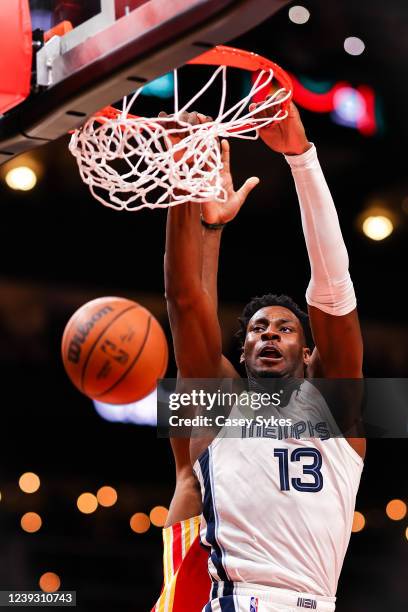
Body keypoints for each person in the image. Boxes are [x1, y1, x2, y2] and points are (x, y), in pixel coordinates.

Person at [157, 102, 365, 611]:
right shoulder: (219, 407)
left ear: (310, 352)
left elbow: (334, 289)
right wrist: (186, 184)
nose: (270, 333)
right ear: (243, 351)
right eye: (257, 328)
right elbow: (186, 301)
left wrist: (301, 158)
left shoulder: (338, 414)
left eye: (286, 327)